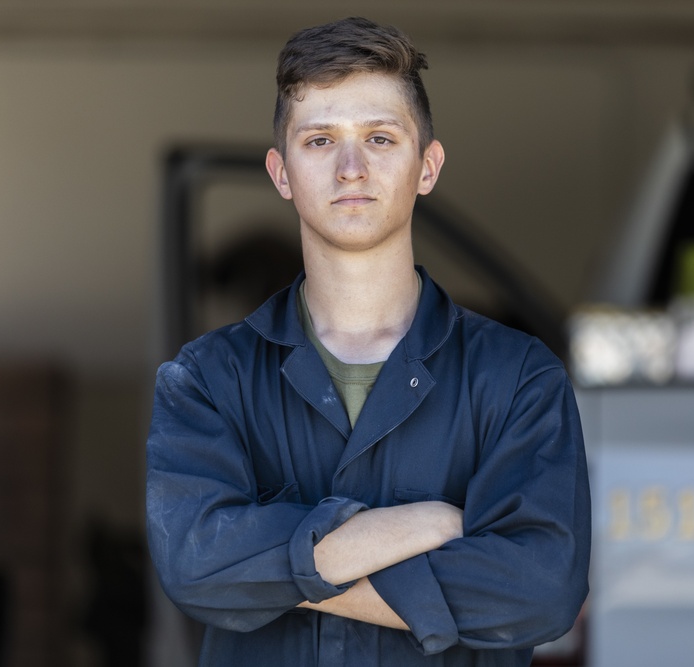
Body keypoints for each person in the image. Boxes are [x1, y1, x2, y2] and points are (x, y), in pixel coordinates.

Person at [146, 16, 590, 666]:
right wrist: (416, 527)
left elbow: (541, 593)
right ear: (282, 172)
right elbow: (194, 565)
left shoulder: (519, 379)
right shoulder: (207, 381)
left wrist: (277, 569)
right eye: (321, 139)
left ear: (427, 166)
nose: (351, 168)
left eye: (380, 138)